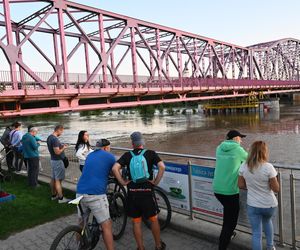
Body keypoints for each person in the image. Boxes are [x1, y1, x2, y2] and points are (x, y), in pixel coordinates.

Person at [112, 132, 166, 250]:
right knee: (154, 219)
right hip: (147, 192)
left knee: (136, 222)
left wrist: (122, 182)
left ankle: (140, 247)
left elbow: (114, 168)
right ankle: (158, 245)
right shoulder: (151, 153)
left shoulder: (127, 155)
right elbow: (162, 166)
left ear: (132, 143)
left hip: (133, 193)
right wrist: (156, 182)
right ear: (142, 142)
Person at [238, 141, 279, 250]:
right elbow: (276, 189)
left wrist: (252, 186)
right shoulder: (268, 167)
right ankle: (270, 247)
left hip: (253, 204)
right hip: (269, 204)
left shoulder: (244, 166)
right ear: (264, 152)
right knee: (267, 222)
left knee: (256, 233)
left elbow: (241, 185)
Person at [76, 139, 115, 250]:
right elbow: (114, 171)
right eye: (109, 147)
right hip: (96, 194)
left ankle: (78, 246)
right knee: (106, 226)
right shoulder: (109, 156)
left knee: (81, 224)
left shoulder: (89, 155)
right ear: (106, 148)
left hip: (80, 192)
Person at [212, 130, 248, 250]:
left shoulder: (219, 148)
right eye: (240, 138)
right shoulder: (238, 150)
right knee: (231, 221)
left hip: (217, 189)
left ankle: (227, 234)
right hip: (230, 191)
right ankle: (222, 245)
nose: (241, 140)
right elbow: (251, 160)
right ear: (235, 138)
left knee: (228, 214)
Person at [47, 125, 69, 203]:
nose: (61, 133)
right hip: (58, 161)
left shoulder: (49, 137)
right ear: (59, 130)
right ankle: (61, 198)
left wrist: (61, 147)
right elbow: (57, 152)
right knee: (58, 180)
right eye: (62, 131)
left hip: (53, 160)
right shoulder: (55, 139)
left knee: (53, 178)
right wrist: (64, 147)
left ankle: (54, 195)